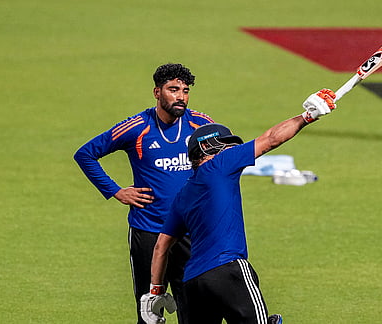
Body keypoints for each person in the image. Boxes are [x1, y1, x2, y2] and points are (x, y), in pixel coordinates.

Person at [140, 89, 337, 324]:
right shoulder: (220, 164)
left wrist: (155, 292)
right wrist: (307, 117)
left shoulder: (182, 196)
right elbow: (271, 139)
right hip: (228, 269)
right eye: (225, 145)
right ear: (208, 148)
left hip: (193, 283)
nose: (230, 150)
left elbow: (161, 246)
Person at [73, 63, 214, 324]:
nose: (180, 96)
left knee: (193, 309)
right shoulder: (137, 127)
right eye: (173, 89)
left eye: (185, 90)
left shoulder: (202, 125)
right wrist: (115, 191)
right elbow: (86, 154)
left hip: (190, 232)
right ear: (157, 92)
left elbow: (222, 164)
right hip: (148, 231)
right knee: (149, 311)